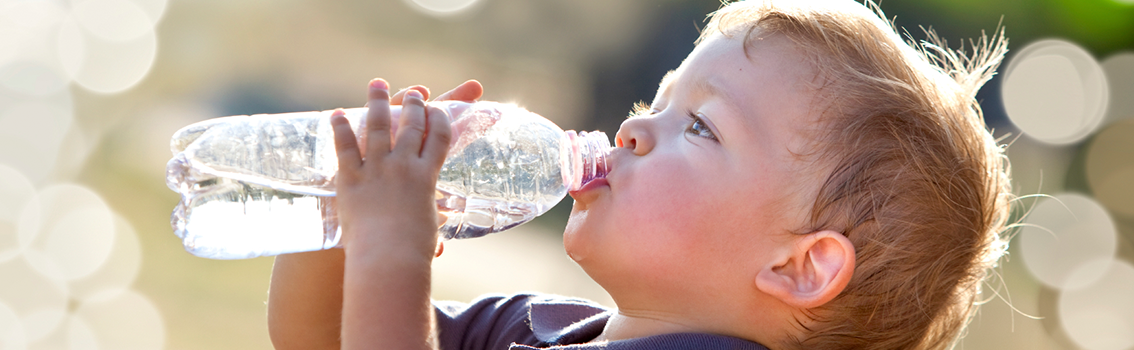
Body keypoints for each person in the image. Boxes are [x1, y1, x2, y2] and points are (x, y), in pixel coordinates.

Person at [266, 0, 1014, 349]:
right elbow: (322, 338)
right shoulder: (539, 327)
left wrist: (394, 254)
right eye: (654, 101)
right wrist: (340, 212)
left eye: (698, 126)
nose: (630, 129)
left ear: (799, 265)